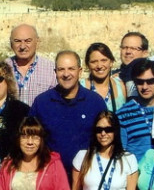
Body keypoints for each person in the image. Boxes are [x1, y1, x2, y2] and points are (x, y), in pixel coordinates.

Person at [29, 50, 106, 178]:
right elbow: (29, 137)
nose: (66, 74)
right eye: (61, 69)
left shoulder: (95, 102)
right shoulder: (42, 102)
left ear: (80, 71)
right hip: (50, 177)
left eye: (71, 69)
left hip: (87, 176)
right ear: (55, 72)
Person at [116, 59, 154, 162]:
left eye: (150, 81)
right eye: (140, 82)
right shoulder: (122, 115)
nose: (145, 87)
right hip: (137, 174)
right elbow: (120, 153)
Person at [5, 24, 57, 107]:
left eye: (28, 41)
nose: (22, 46)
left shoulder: (52, 70)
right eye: (17, 41)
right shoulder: (2, 69)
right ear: (11, 44)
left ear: (37, 42)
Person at [81, 43, 127, 112]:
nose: (99, 66)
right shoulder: (80, 87)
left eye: (104, 60)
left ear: (111, 62)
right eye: (94, 62)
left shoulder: (121, 86)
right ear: (88, 65)